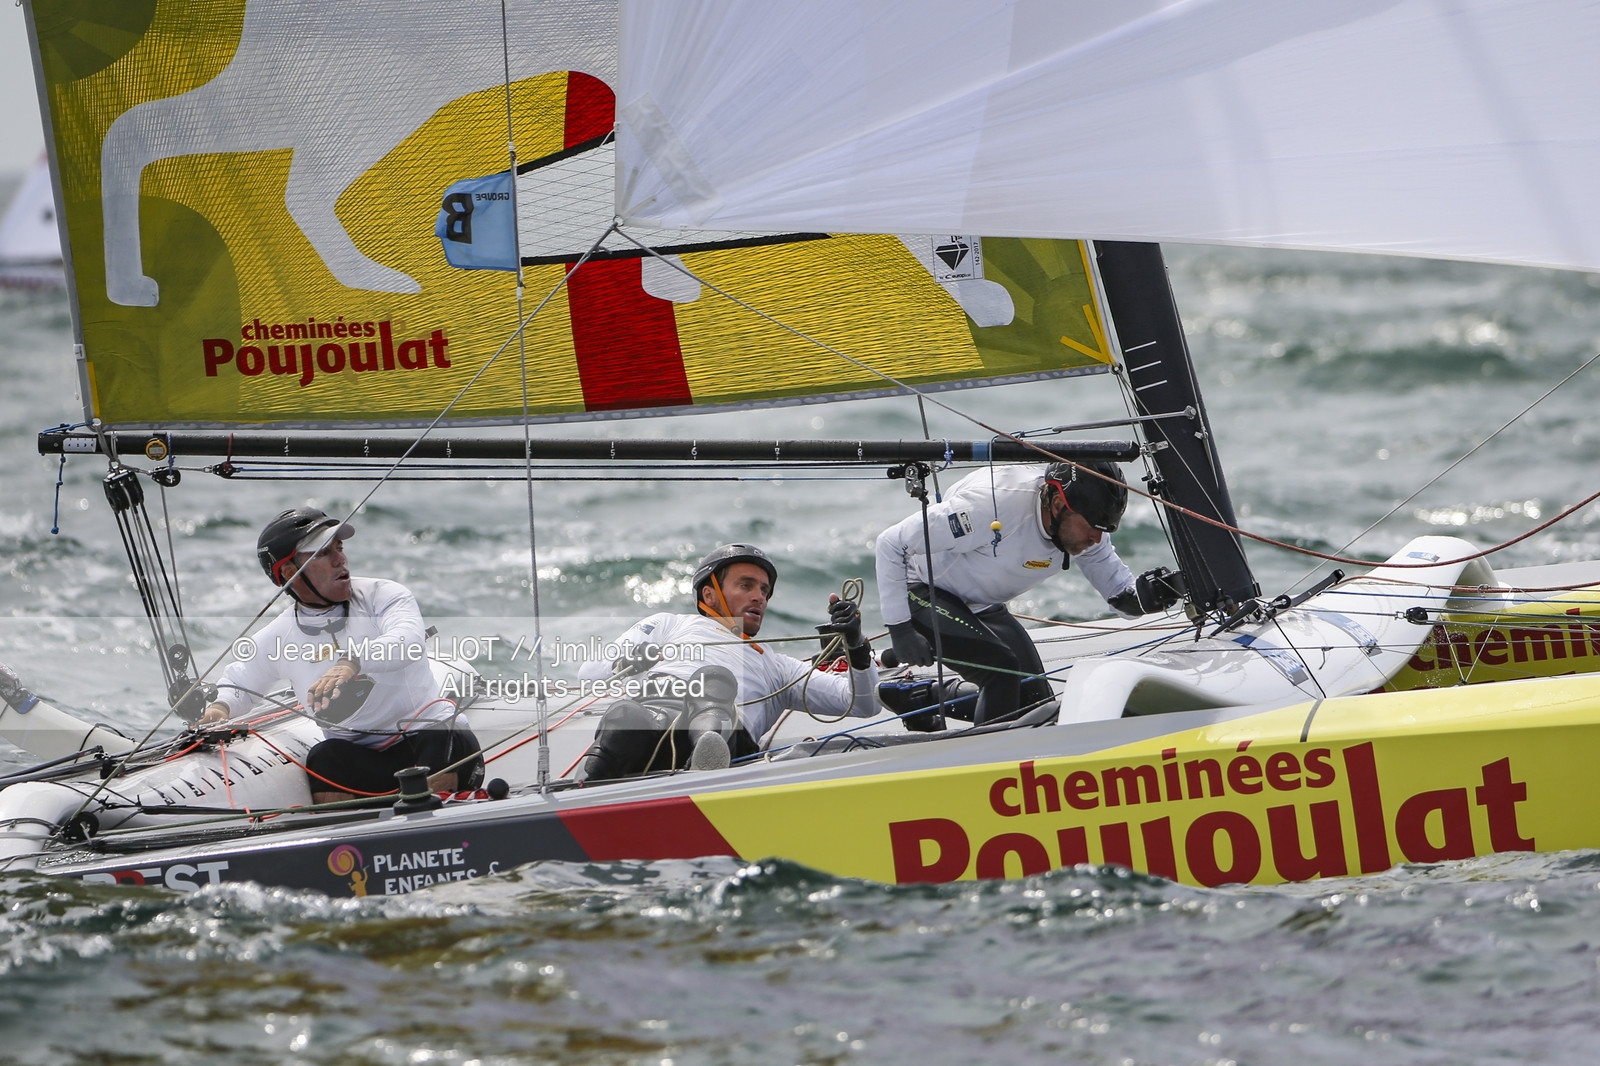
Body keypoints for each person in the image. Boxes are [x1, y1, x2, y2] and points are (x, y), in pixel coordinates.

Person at [198, 507, 484, 804]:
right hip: (369, 766)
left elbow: (408, 642)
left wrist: (352, 662)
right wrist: (219, 710)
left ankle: (435, 815)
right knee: (325, 757)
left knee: (441, 733)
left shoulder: (384, 595)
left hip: (433, 746)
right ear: (289, 573)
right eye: (324, 553)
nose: (340, 559)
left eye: (339, 547)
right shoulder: (278, 636)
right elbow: (238, 684)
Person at [875, 460, 1182, 725]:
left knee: (1037, 706)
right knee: (1002, 671)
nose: (1097, 538)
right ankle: (988, 764)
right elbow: (891, 543)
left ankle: (916, 698)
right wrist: (900, 629)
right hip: (920, 588)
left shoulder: (1084, 528)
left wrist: (1153, 596)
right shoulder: (990, 506)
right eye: (1093, 527)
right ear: (1058, 504)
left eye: (1105, 529)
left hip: (981, 604)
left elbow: (1121, 597)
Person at [576, 544, 880, 781]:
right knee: (626, 714)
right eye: (746, 586)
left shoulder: (778, 666)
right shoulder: (669, 624)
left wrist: (856, 646)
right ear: (709, 595)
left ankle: (706, 763)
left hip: (728, 738)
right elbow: (589, 674)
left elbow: (861, 703)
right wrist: (630, 662)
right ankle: (583, 788)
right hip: (659, 718)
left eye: (764, 590)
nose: (759, 597)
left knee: (714, 681)